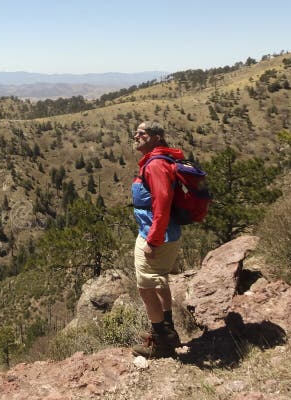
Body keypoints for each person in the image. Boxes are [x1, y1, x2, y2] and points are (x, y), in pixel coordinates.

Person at [130, 121, 183, 358]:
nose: (136, 135)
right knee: (158, 281)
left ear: (156, 137)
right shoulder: (157, 161)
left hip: (157, 236)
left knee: (146, 287)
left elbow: (161, 204)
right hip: (162, 234)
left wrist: (152, 240)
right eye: (137, 132)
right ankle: (167, 330)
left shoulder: (156, 165)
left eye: (142, 133)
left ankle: (161, 341)